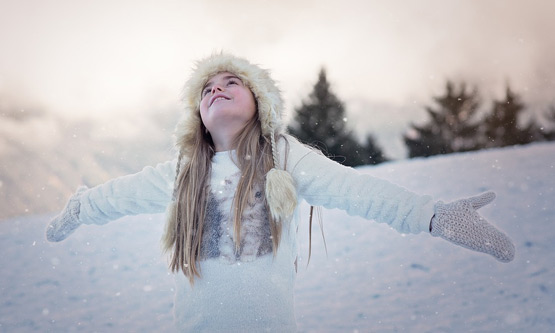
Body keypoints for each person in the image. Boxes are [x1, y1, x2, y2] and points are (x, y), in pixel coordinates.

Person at [46, 52, 515, 332]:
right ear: (197, 114)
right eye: (207, 88)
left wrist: (432, 215)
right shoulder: (184, 173)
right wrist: (81, 206)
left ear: (260, 105)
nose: (218, 89)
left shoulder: (285, 158)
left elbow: (354, 190)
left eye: (232, 82)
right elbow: (120, 195)